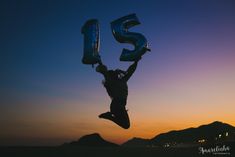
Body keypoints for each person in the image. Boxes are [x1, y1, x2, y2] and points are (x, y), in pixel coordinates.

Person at [95, 59, 140, 129]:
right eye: (114, 73)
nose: (116, 73)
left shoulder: (123, 80)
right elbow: (104, 71)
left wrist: (136, 62)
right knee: (126, 125)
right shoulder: (111, 82)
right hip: (117, 106)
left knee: (126, 125)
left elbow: (131, 71)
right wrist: (99, 62)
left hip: (119, 106)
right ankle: (108, 116)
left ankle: (108, 116)